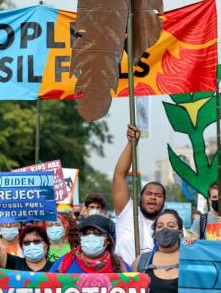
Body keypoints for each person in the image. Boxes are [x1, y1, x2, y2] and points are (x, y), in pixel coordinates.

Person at [112, 125, 166, 265]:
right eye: (148, 193)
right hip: (125, 281)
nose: (153, 197)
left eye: (158, 195)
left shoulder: (170, 223)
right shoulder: (127, 212)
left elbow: (186, 244)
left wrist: (190, 240)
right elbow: (119, 175)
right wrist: (132, 143)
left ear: (164, 201)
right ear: (140, 197)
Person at [0, 202, 54, 272]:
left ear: (46, 245)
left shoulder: (56, 269)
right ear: (22, 247)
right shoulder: (14, 264)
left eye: (36, 241)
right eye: (26, 243)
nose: (31, 245)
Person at [51, 214, 129, 273]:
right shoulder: (64, 263)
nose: (91, 236)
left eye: (97, 233)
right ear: (81, 238)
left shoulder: (120, 266)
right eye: (86, 233)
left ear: (108, 240)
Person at [133, 210, 182, 293]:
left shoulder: (191, 259)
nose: (165, 229)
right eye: (160, 226)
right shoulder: (141, 261)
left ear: (180, 233)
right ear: (155, 233)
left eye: (170, 226)